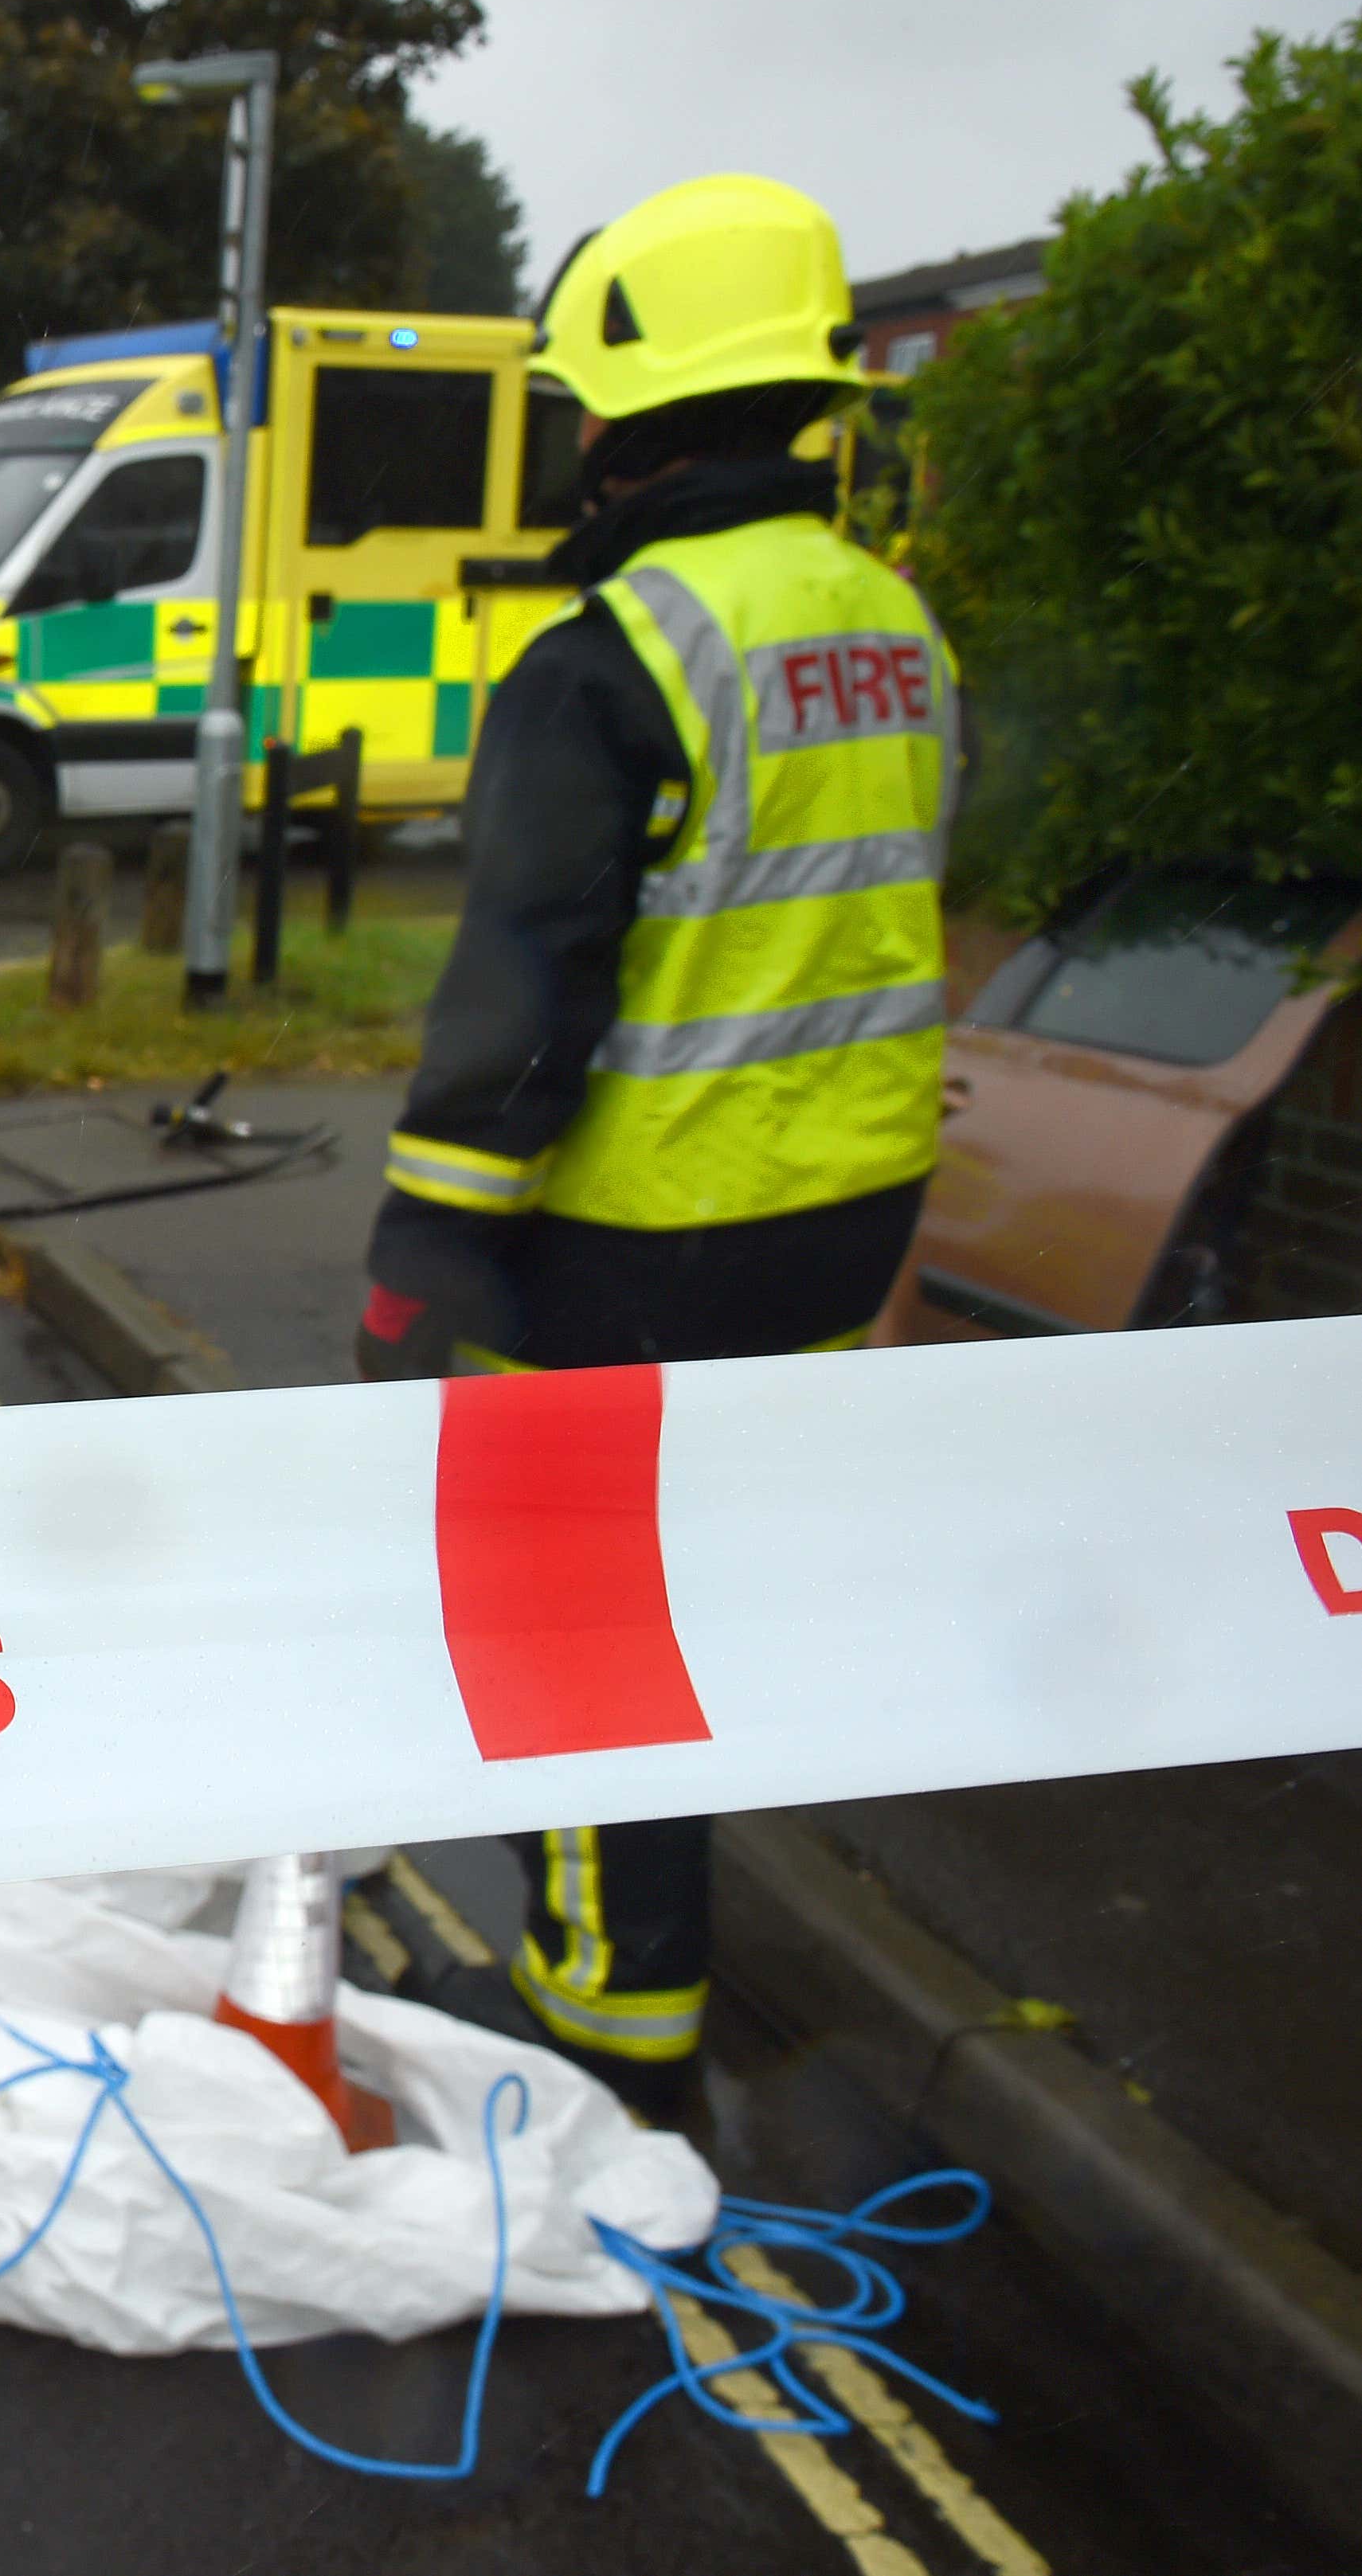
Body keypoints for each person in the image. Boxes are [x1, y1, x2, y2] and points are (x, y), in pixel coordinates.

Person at [354, 174, 957, 2116]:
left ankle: (610, 2019)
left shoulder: (608, 657)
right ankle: (646, 1928)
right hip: (843, 1215)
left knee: (574, 1603)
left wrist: (419, 1252)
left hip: (644, 1229)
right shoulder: (894, 625)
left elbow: (521, 1007)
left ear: (620, 416)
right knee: (711, 1577)